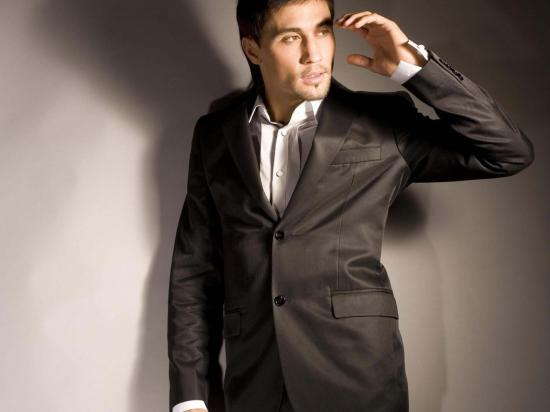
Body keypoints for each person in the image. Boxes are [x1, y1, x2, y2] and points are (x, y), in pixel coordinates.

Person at [167, 1, 534, 411]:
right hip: (256, 381)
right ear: (253, 49)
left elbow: (508, 152)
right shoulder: (216, 134)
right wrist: (190, 394)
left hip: (356, 377)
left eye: (323, 31)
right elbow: (195, 268)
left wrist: (413, 68)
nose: (314, 53)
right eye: (292, 37)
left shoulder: (380, 122)